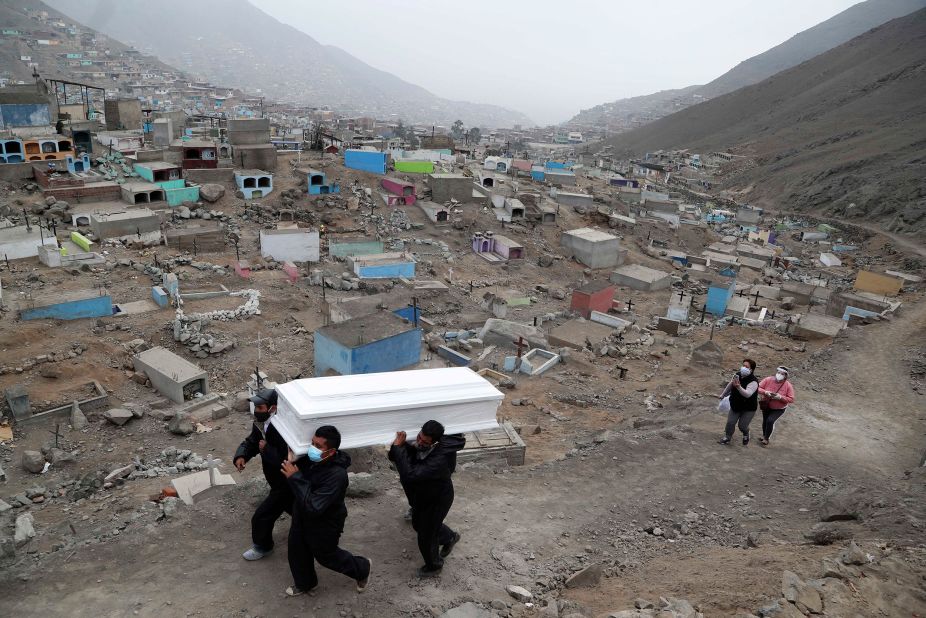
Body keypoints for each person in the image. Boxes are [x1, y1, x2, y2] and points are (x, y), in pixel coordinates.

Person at [281, 425, 372, 596]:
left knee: (326, 556)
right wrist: (293, 464)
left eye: (318, 446)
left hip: (325, 521)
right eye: (312, 443)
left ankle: (361, 568)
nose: (312, 448)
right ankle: (305, 584)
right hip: (302, 513)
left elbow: (315, 506)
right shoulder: (311, 460)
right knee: (297, 549)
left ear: (330, 452)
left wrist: (295, 478)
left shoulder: (337, 476)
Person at [389, 420, 465, 577]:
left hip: (437, 498)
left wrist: (398, 448)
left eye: (424, 442)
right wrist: (397, 447)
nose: (419, 442)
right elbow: (396, 457)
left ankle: (434, 566)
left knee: (426, 534)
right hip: (424, 495)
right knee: (418, 523)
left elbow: (411, 475)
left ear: (435, 442)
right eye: (419, 437)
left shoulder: (440, 458)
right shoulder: (424, 443)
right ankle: (450, 537)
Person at [233, 388, 291, 561]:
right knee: (297, 509)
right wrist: (241, 455)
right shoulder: (262, 422)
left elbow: (286, 458)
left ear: (272, 408)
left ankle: (262, 547)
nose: (256, 412)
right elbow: (253, 441)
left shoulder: (284, 428)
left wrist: (266, 449)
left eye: (260, 408)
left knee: (262, 516)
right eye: (255, 408)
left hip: (285, 482)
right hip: (276, 480)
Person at [718, 359, 759, 446]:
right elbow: (730, 384)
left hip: (748, 408)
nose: (744, 368)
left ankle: (746, 433)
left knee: (742, 426)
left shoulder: (753, 381)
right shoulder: (737, 375)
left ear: (751, 370)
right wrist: (723, 394)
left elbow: (748, 394)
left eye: (746, 367)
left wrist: (739, 387)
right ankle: (727, 437)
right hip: (736, 404)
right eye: (743, 365)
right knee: (730, 422)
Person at [757, 366, 796, 446]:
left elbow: (791, 399)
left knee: (770, 421)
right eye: (778, 372)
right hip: (767, 405)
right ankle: (764, 435)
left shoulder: (788, 385)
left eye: (782, 374)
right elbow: (758, 387)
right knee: (765, 421)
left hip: (779, 408)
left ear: (785, 376)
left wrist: (780, 397)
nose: (779, 375)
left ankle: (766, 439)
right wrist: (765, 392)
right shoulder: (768, 379)